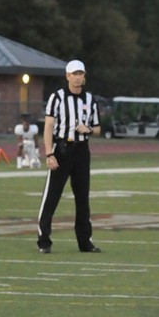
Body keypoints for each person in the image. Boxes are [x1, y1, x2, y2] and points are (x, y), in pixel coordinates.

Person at [37, 60, 102, 254]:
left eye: (81, 74)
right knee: (52, 196)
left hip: (82, 151)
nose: (78, 77)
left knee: (83, 198)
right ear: (67, 76)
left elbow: (98, 128)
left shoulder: (89, 99)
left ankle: (85, 242)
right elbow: (48, 126)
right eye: (74, 74)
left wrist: (88, 129)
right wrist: (49, 153)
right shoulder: (57, 97)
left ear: (84, 76)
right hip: (62, 149)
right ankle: (44, 241)